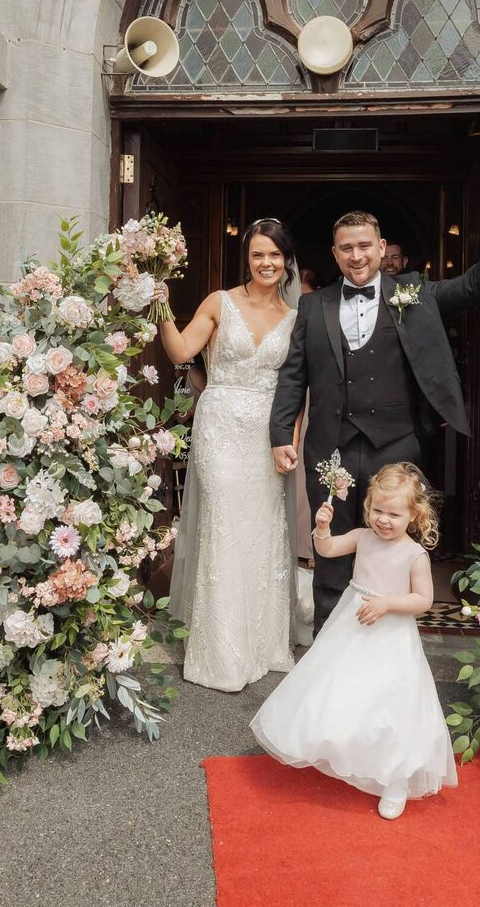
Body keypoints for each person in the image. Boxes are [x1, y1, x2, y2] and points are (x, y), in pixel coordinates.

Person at [270, 175, 480, 634]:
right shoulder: (314, 308)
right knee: (331, 545)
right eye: (346, 248)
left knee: (393, 552)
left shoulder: (415, 294)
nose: (356, 256)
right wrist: (280, 436)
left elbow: (473, 285)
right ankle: (328, 655)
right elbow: (294, 374)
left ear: (381, 246)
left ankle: (385, 649)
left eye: (365, 246)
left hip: (395, 445)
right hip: (329, 446)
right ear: (335, 254)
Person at [250, 463, 457, 819]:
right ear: (368, 507)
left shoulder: (413, 555)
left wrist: (388, 603)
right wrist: (322, 528)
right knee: (341, 689)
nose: (383, 520)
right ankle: (347, 750)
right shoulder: (363, 537)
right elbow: (328, 551)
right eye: (377, 510)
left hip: (391, 636)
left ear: (413, 515)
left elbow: (423, 600)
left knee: (390, 705)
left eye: (394, 513)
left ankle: (396, 779)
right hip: (352, 627)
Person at [157, 218, 300, 692]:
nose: (266, 263)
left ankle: (260, 646)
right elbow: (181, 350)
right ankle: (219, 653)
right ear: (248, 259)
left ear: (286, 261)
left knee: (260, 530)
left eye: (275, 255)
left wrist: (292, 442)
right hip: (219, 427)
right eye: (258, 254)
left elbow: (295, 390)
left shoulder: (295, 317)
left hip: (266, 434)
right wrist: (160, 304)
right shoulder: (220, 302)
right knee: (223, 527)